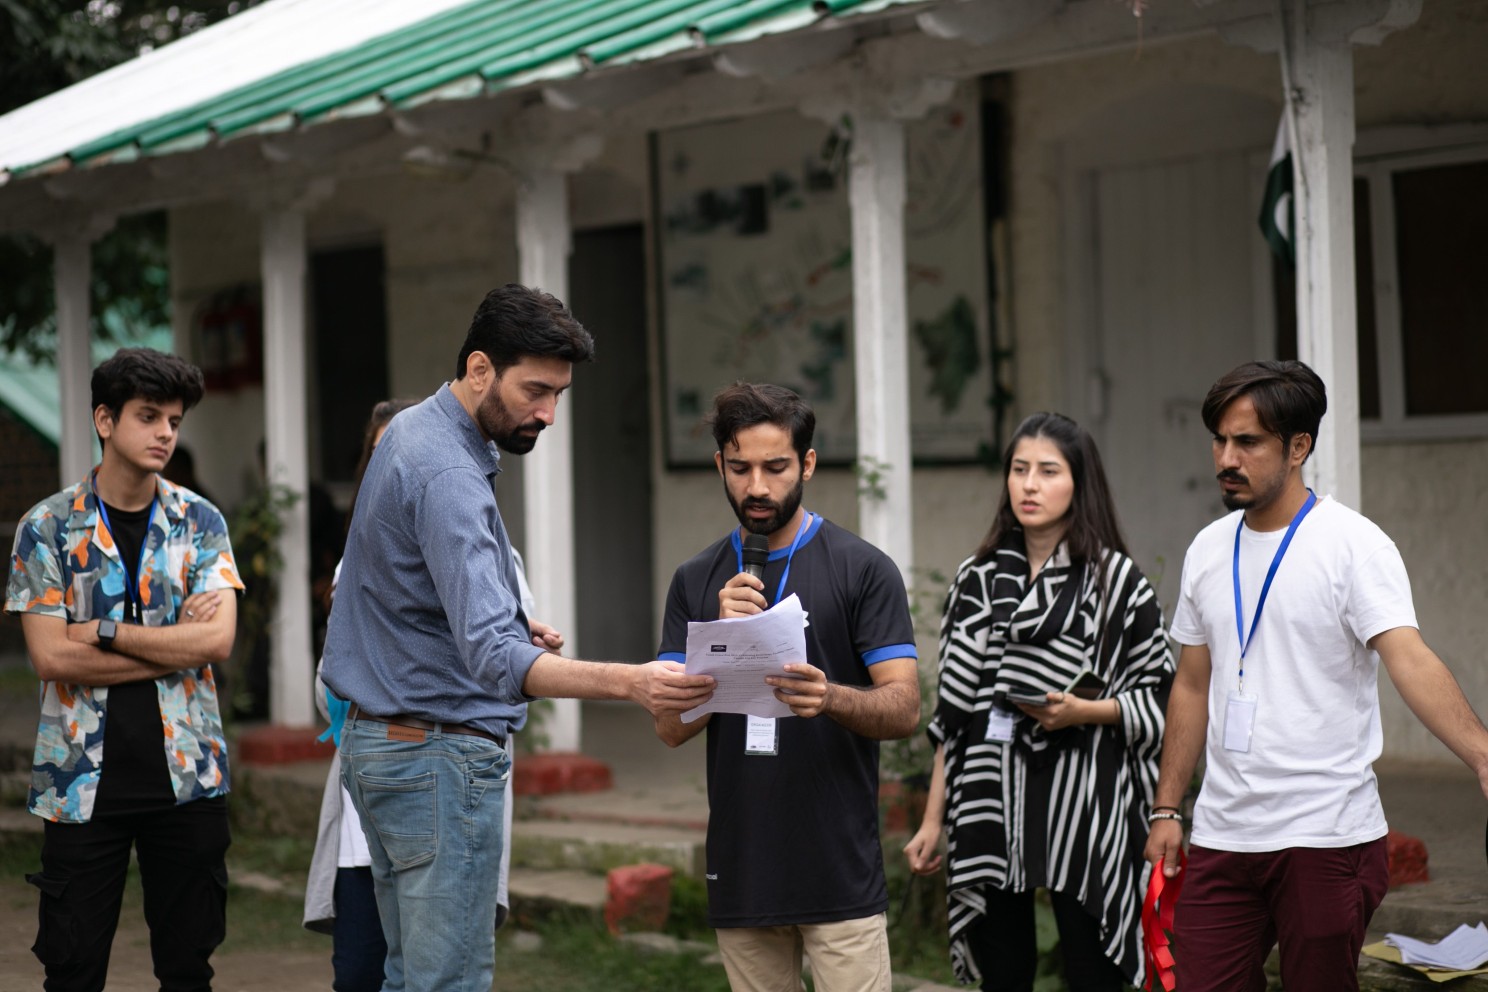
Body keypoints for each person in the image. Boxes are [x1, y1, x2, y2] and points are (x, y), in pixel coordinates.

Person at [320, 284, 714, 992]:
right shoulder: (446, 469)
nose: (548, 413)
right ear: (479, 369)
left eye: (559, 394)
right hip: (434, 760)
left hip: (385, 750)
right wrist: (635, 682)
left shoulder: (412, 433)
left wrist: (500, 606)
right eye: (535, 390)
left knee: (409, 978)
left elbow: (387, 594)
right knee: (446, 984)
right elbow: (496, 660)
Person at [1144, 360, 1488, 992]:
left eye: (1247, 442)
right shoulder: (1207, 550)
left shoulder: (1354, 545)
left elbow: (1408, 657)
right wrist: (1168, 806)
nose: (1226, 457)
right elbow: (1192, 684)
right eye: (1220, 439)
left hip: (1325, 836)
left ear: (1299, 446)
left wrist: (1482, 756)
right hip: (1224, 831)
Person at [654, 382, 921, 992]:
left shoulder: (862, 568)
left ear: (807, 463)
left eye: (776, 467)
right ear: (719, 464)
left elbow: (904, 708)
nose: (756, 488)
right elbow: (669, 728)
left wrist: (829, 698)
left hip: (838, 869)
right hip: (744, 865)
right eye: (740, 468)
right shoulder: (695, 579)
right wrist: (718, 647)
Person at [903, 412, 1174, 991]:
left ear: (1080, 483)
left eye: (1048, 471)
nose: (1029, 485)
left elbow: (1163, 701)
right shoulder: (974, 581)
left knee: (1091, 968)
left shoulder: (1117, 583)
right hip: (989, 796)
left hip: (1087, 799)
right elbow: (955, 715)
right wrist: (933, 819)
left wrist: (1081, 712)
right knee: (1004, 973)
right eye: (1019, 470)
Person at [5, 347, 243, 991]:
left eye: (174, 419)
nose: (166, 432)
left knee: (189, 972)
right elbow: (52, 657)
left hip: (189, 781)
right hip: (82, 785)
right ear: (104, 420)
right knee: (73, 974)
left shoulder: (201, 522)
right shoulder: (47, 529)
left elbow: (217, 642)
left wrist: (107, 633)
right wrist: (176, 646)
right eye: (149, 416)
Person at [303, 397, 543, 990]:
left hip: (421, 770)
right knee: (412, 974)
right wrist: (625, 681)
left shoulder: (493, 553)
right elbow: (331, 685)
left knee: (418, 970)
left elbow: (505, 660)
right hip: (411, 772)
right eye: (385, 456)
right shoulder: (362, 558)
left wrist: (507, 638)